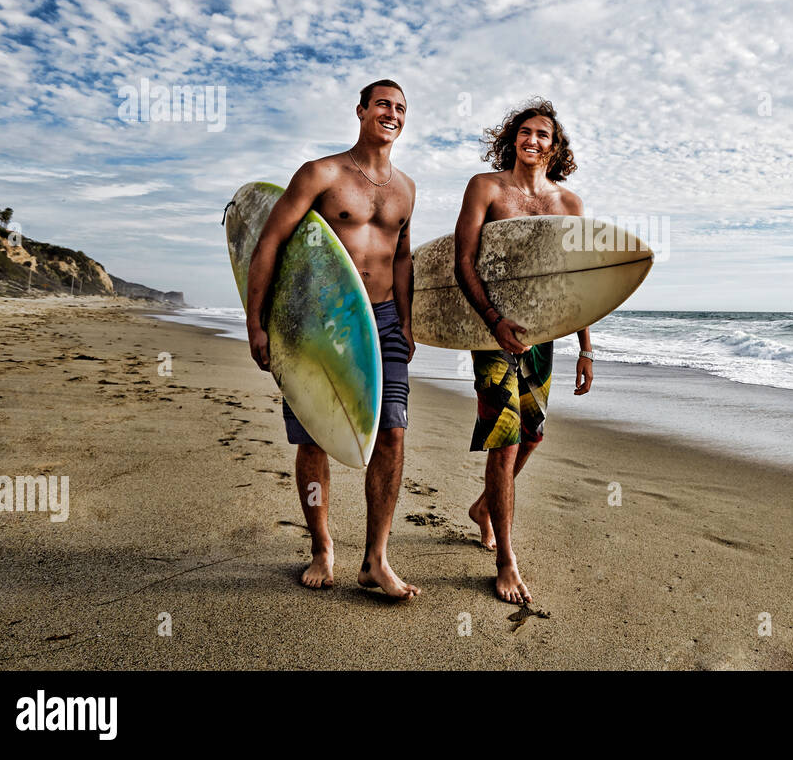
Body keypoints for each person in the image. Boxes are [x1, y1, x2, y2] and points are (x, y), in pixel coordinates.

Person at [244, 79, 420, 598]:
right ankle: (322, 547)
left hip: (384, 319)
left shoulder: (407, 188)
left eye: (401, 108)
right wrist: (256, 321)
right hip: (320, 324)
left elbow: (403, 256)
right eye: (383, 104)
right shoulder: (322, 173)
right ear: (362, 110)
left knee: (391, 432)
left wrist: (407, 321)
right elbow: (271, 242)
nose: (392, 113)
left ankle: (376, 559)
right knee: (317, 434)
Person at [453, 98, 594, 604]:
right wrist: (492, 321)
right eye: (527, 132)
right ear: (513, 137)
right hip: (491, 333)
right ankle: (505, 560)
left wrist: (586, 348)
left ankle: (484, 505)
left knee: (532, 435)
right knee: (505, 439)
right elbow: (462, 262)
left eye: (545, 136)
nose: (534, 141)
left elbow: (577, 285)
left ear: (555, 148)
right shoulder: (486, 188)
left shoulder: (568, 205)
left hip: (544, 334)